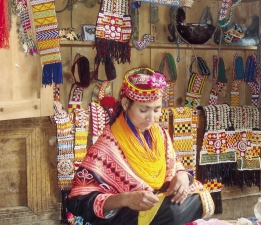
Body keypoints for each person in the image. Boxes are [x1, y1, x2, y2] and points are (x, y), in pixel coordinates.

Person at [66, 68, 214, 225]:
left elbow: (173, 164)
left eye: (157, 110)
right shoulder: (107, 146)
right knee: (172, 212)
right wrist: (126, 199)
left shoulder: (160, 135)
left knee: (200, 196)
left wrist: (182, 175)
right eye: (144, 110)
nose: (151, 118)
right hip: (127, 213)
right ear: (125, 104)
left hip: (158, 202)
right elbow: (79, 201)